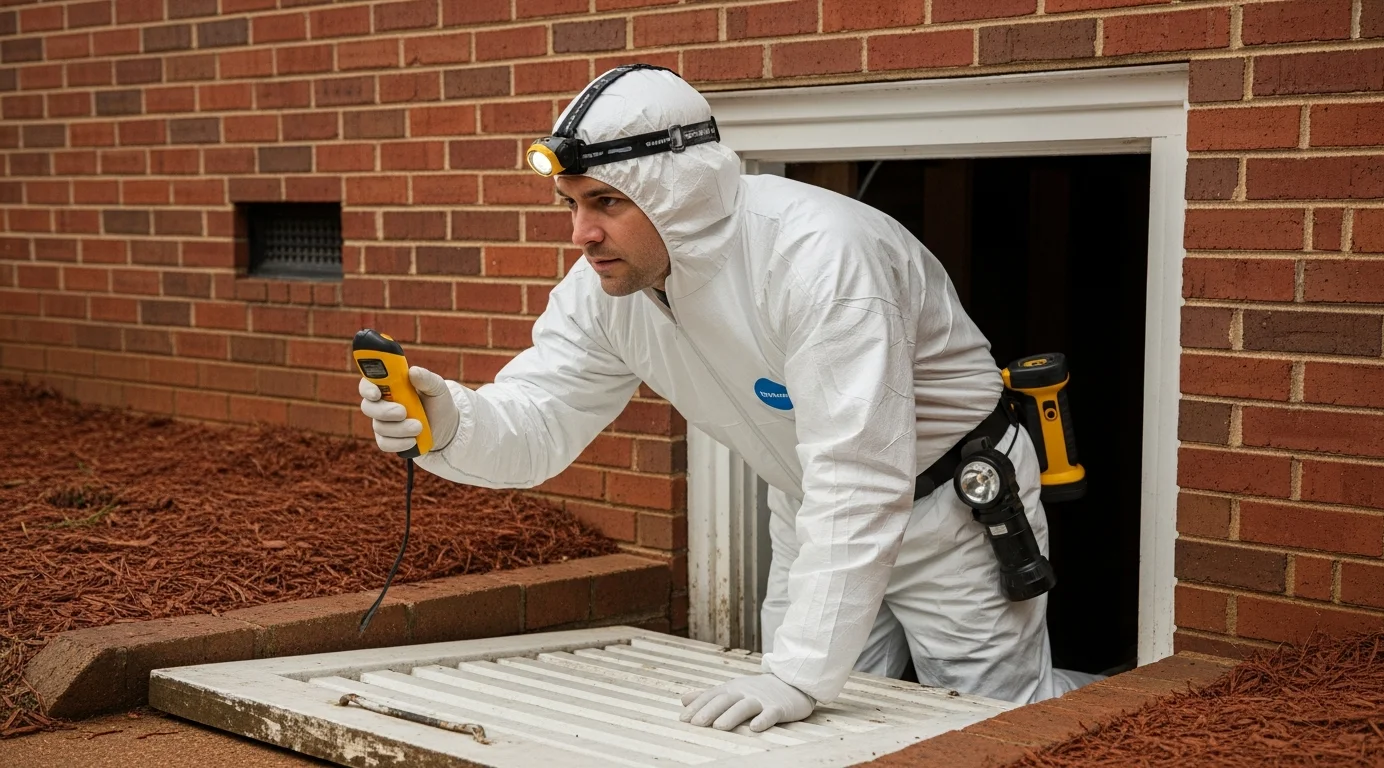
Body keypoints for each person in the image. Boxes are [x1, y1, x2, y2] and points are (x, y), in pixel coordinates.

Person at [358, 65, 1098, 735]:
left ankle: (1086, 700)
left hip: (952, 513)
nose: (582, 233)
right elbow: (541, 418)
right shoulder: (607, 290)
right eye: (571, 204)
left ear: (674, 193)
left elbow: (860, 470)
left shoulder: (819, 255)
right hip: (817, 511)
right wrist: (454, 422)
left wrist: (799, 671)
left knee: (990, 724)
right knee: (815, 728)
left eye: (605, 202)